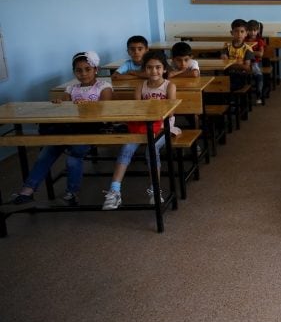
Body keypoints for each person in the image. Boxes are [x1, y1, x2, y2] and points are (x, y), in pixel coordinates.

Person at [11, 52, 113, 206]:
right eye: (79, 70)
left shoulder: (103, 86)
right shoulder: (71, 89)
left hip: (91, 130)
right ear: (74, 72)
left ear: (96, 69)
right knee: (46, 153)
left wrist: (88, 106)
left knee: (74, 156)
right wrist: (60, 102)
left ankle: (72, 193)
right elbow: (64, 100)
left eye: (88, 69)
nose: (83, 73)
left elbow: (106, 106)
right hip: (68, 129)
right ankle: (27, 191)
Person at [102, 51, 180, 210]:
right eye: (150, 68)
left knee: (151, 150)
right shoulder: (140, 86)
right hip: (143, 126)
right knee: (127, 148)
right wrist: (147, 110)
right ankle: (114, 191)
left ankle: (155, 190)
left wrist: (152, 106)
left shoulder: (169, 86)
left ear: (164, 69)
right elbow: (137, 110)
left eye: (158, 67)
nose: (154, 71)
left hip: (164, 126)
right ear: (144, 70)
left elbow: (170, 112)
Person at [221, 18, 254, 91]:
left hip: (241, 75)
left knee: (231, 85)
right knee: (219, 83)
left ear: (246, 33)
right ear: (231, 32)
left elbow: (247, 68)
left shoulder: (247, 49)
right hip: (228, 74)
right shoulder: (227, 47)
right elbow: (224, 64)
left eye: (242, 31)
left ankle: (232, 100)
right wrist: (238, 64)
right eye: (236, 31)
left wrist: (230, 64)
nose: (239, 34)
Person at [245, 19, 265, 104]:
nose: (252, 32)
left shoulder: (259, 41)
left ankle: (259, 94)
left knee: (258, 76)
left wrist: (249, 52)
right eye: (250, 30)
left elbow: (260, 54)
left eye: (254, 30)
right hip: (244, 62)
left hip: (254, 63)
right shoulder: (244, 39)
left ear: (258, 30)